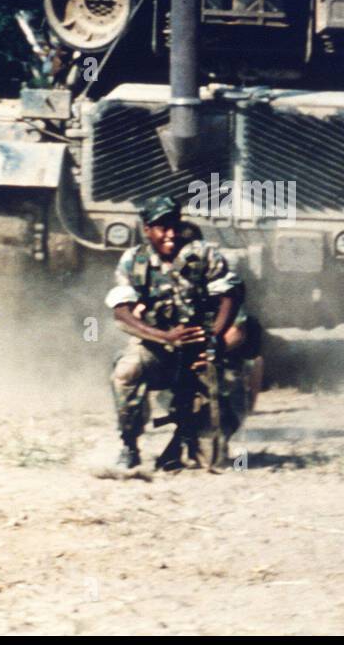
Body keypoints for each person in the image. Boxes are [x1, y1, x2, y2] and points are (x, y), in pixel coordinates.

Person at [105, 196, 254, 469]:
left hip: (203, 356)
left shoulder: (205, 256)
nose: (170, 233)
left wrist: (212, 345)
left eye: (174, 225)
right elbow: (120, 312)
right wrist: (163, 336)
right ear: (147, 229)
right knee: (126, 370)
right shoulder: (133, 261)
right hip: (159, 350)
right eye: (161, 227)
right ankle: (129, 444)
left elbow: (231, 303)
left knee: (211, 461)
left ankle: (187, 436)